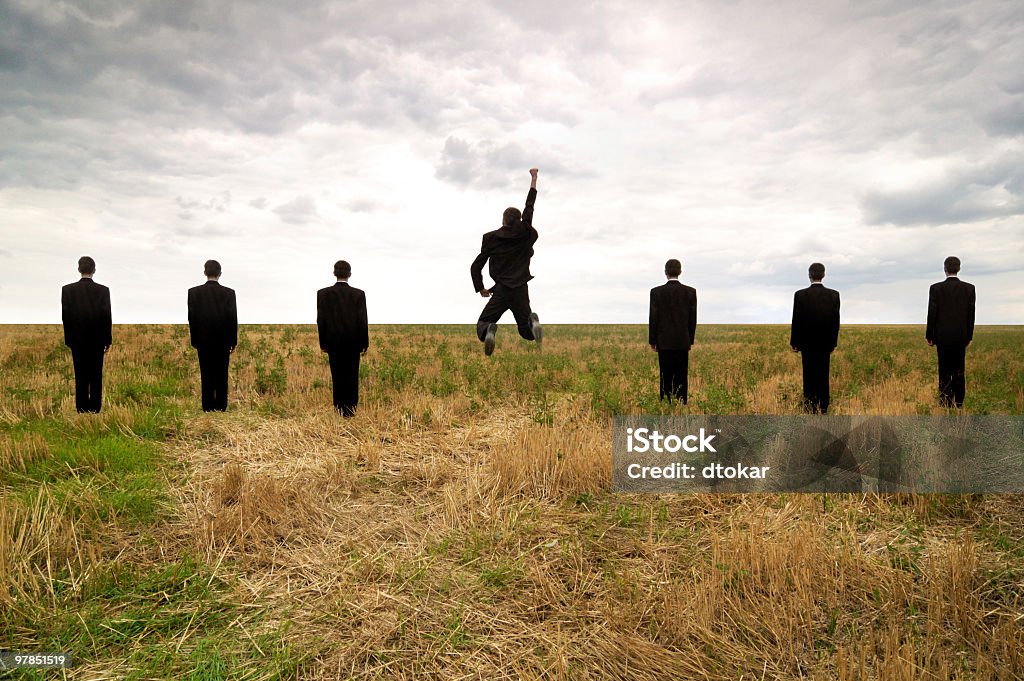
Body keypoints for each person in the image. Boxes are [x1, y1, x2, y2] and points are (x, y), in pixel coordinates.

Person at [470, 168, 544, 356]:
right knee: (526, 331)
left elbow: (476, 265)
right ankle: (532, 322)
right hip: (520, 289)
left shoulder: (491, 238)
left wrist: (481, 288)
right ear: (519, 220)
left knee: (483, 323)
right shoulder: (525, 233)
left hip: (501, 291)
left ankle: (489, 331)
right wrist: (534, 179)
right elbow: (530, 207)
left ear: (503, 220)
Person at [317, 260, 369, 416]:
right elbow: (363, 321)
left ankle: (339, 408)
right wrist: (364, 343)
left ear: (334, 273)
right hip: (353, 343)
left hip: (333, 343)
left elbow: (321, 320)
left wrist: (323, 343)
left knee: (337, 375)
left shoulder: (323, 294)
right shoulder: (359, 294)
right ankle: (351, 409)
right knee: (352, 375)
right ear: (350, 274)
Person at [61, 256, 112, 413]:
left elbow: (66, 317)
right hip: (97, 340)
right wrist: (107, 339)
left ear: (78, 269)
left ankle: (81, 408)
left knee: (80, 375)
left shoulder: (67, 290)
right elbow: (106, 316)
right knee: (96, 375)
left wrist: (69, 340)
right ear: (94, 270)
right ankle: (95, 408)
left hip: (77, 340)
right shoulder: (103, 291)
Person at [187, 260, 238, 412]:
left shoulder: (193, 292)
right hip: (223, 341)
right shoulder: (229, 293)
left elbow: (192, 318)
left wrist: (194, 340)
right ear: (220, 273)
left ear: (204, 272)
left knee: (206, 374)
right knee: (222, 374)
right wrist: (233, 341)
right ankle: (221, 407)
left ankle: (207, 407)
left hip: (203, 341)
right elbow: (232, 318)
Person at [790, 262, 841, 414]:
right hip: (825, 343)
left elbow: (796, 320)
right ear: (823, 275)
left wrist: (795, 342)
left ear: (809, 275)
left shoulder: (800, 295)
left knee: (809, 373)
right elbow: (835, 321)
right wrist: (833, 343)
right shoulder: (834, 295)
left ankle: (809, 405)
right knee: (823, 373)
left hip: (806, 343)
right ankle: (823, 406)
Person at [926, 256, 975, 408]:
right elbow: (971, 315)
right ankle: (959, 403)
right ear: (958, 268)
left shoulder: (935, 288)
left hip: (942, 337)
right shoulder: (969, 288)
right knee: (959, 369)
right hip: (961, 336)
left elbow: (932, 313)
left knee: (944, 369)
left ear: (945, 268)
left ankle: (945, 402)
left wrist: (930, 335)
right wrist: (969, 336)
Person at [649, 259, 697, 403]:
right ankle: (681, 402)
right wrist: (690, 340)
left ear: (665, 272)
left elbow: (653, 318)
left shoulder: (656, 292)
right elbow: (692, 319)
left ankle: (666, 402)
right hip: (682, 341)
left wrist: (652, 340)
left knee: (665, 374)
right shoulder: (690, 292)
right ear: (680, 271)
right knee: (681, 374)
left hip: (663, 342)